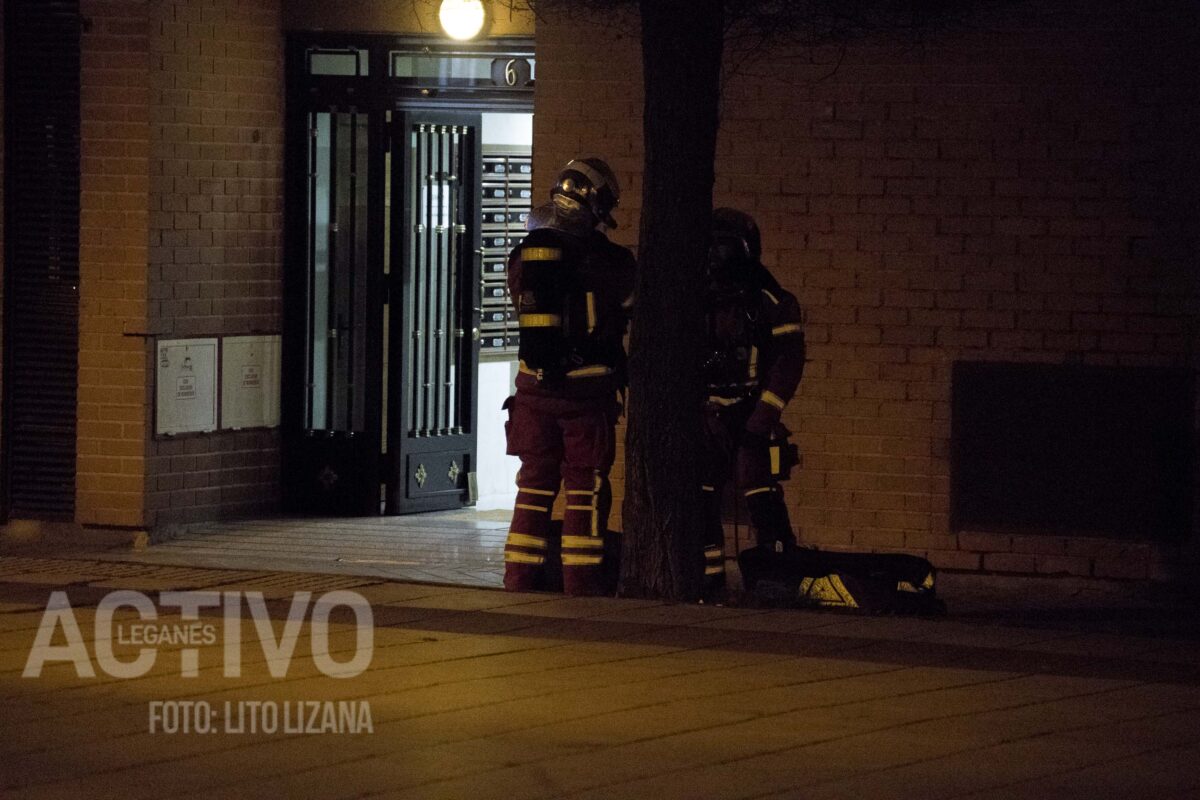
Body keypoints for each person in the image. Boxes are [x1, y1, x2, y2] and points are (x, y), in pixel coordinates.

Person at [502, 158, 636, 596]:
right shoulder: (613, 262)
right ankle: (581, 586)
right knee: (584, 491)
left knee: (534, 488)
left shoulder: (525, 254)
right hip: (586, 397)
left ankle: (519, 581)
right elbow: (632, 311)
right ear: (596, 205)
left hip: (533, 393)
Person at [699, 208, 807, 599]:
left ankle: (776, 578)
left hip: (749, 414)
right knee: (701, 496)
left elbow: (788, 362)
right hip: (706, 412)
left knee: (760, 493)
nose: (713, 258)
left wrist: (761, 421)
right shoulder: (696, 296)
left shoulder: (770, 300)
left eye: (720, 249)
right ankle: (707, 581)